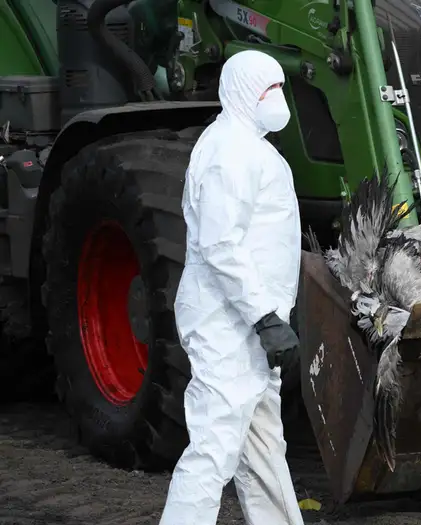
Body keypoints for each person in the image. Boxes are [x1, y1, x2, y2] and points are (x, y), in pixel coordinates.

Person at [159, 49, 305, 525]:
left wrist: (272, 318)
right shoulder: (229, 152)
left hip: (250, 329)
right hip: (228, 327)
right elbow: (221, 244)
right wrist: (264, 318)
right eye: (268, 89)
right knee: (213, 450)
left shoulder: (249, 146)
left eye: (280, 87)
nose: (277, 98)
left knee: (263, 449)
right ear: (243, 93)